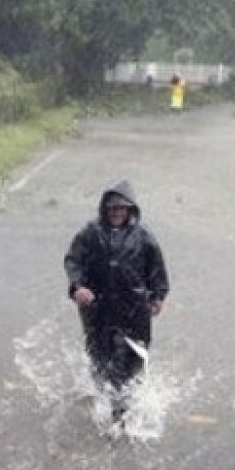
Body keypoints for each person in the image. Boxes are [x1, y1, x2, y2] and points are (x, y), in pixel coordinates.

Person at [64, 180, 170, 421]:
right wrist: (78, 287)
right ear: (104, 209)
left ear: (131, 210)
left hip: (133, 310)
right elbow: (73, 261)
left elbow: (157, 269)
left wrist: (159, 296)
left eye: (122, 208)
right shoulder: (90, 233)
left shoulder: (144, 237)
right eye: (112, 208)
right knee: (99, 357)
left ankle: (121, 412)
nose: (117, 213)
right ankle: (105, 398)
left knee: (130, 360)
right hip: (97, 309)